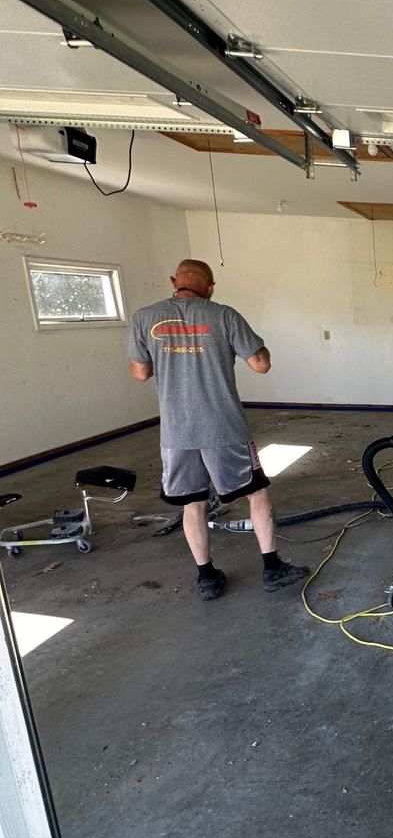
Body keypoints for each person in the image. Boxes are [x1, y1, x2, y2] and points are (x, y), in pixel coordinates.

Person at [127, 258, 309, 602]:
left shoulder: (144, 317)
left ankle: (206, 578)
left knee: (193, 504)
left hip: (176, 433)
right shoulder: (224, 315)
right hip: (223, 427)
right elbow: (261, 364)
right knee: (257, 494)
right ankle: (272, 569)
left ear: (173, 282)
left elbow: (139, 373)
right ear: (210, 287)